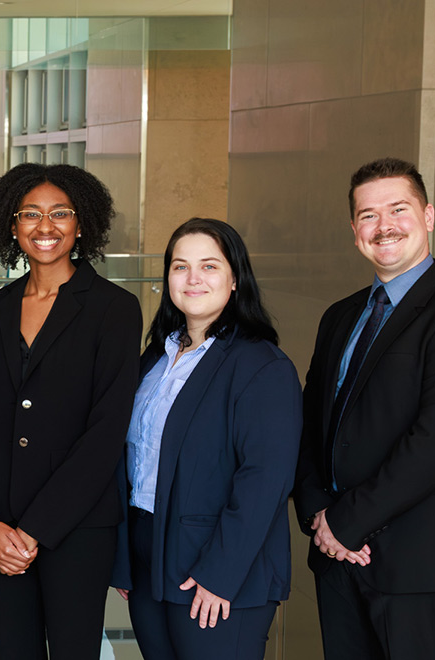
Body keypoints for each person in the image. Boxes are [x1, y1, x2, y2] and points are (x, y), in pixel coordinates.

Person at [292, 158, 435, 660]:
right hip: (335, 555)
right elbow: (309, 422)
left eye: (398, 209)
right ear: (355, 231)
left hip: (412, 561)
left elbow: (434, 443)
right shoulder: (339, 315)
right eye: (367, 215)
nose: (383, 226)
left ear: (427, 216)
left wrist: (346, 523)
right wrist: (319, 510)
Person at [0, 163, 140, 660]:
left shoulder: (115, 309)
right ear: (11, 226)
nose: (45, 226)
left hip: (77, 527)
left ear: (82, 225)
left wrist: (34, 530)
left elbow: (106, 432)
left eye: (60, 213)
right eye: (30, 214)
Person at [110, 218, 301, 659]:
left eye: (209, 266)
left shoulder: (262, 365)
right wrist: (125, 559)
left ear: (235, 279)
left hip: (217, 570)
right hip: (149, 562)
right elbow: (130, 461)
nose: (193, 278)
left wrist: (220, 573)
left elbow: (265, 480)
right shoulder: (155, 358)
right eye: (180, 266)